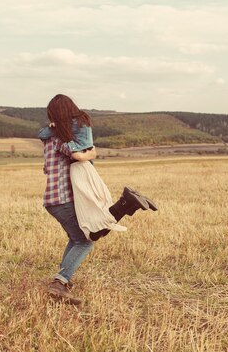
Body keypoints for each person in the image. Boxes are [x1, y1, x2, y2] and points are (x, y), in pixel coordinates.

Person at [40, 94, 157, 304]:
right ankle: (59, 283)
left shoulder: (49, 138)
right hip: (62, 199)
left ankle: (62, 281)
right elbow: (79, 154)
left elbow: (48, 167)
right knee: (86, 241)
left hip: (55, 200)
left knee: (77, 238)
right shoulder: (60, 138)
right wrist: (92, 153)